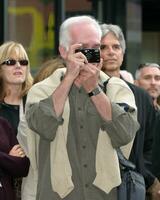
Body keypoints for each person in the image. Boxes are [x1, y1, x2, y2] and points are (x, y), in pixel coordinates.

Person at [22, 15, 139, 200]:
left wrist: (94, 89)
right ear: (63, 50)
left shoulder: (116, 88)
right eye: (82, 48)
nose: (90, 54)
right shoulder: (42, 90)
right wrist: (69, 79)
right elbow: (43, 126)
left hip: (103, 195)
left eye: (95, 47)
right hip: (55, 195)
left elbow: (126, 132)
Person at [100, 23, 160, 200]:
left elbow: (150, 144)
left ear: (123, 52)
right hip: (93, 183)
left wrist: (143, 174)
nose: (111, 52)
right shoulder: (85, 91)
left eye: (116, 47)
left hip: (132, 184)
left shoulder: (141, 96)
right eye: (103, 47)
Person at [0, 41, 33, 199]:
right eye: (10, 62)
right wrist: (8, 156)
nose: (18, 66)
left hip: (34, 183)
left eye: (23, 62)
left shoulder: (36, 100)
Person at [135, 63, 160, 199]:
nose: (153, 83)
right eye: (147, 78)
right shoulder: (132, 115)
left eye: (157, 78)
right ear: (136, 83)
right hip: (140, 186)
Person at [0, 116, 30, 200]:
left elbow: (23, 166)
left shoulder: (3, 123)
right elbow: (14, 163)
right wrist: (9, 158)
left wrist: (6, 161)